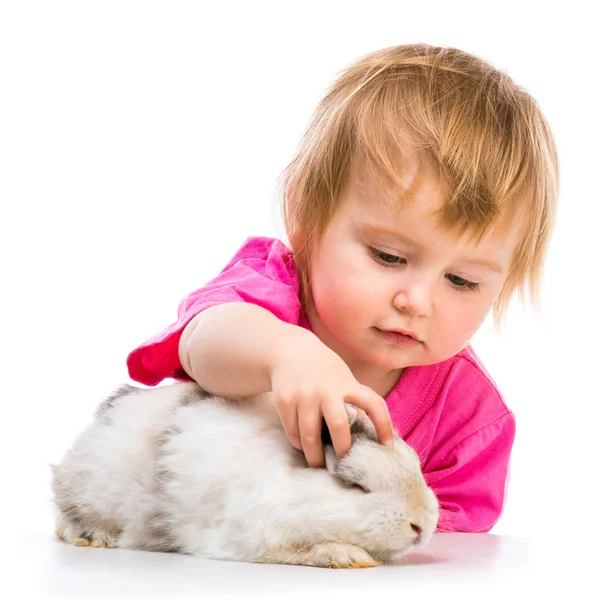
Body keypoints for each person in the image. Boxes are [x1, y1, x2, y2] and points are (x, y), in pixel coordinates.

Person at [126, 43, 559, 533]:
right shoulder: (270, 296)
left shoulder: (468, 420)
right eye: (388, 257)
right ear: (306, 222)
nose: (416, 301)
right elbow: (199, 343)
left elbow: (449, 560)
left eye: (462, 280)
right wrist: (285, 354)